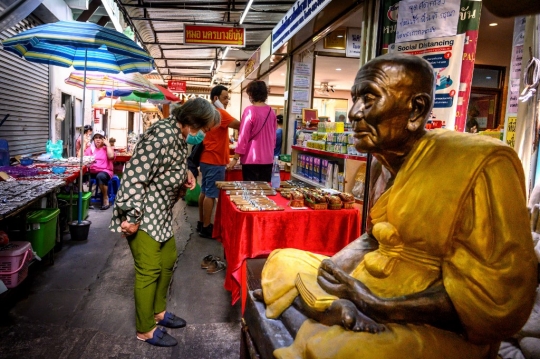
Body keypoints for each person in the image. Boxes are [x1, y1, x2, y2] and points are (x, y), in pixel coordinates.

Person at [255, 53, 537, 358]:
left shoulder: (483, 162)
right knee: (282, 260)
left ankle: (319, 309)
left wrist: (378, 305)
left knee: (344, 351)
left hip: (423, 318)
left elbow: (498, 298)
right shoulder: (382, 162)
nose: (353, 113)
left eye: (369, 98)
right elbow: (374, 238)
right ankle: (330, 308)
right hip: (366, 285)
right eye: (354, 98)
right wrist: (331, 272)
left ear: (416, 110)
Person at [109, 98, 220, 347]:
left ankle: (158, 313)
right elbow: (134, 178)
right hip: (144, 213)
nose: (204, 135)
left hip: (161, 214)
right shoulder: (161, 136)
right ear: (191, 122)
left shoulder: (178, 136)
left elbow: (169, 167)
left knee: (167, 261)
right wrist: (132, 218)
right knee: (149, 270)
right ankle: (145, 328)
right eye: (204, 129)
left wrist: (186, 174)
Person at [197, 85, 240, 238]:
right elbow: (240, 125)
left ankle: (202, 223)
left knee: (204, 191)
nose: (227, 101)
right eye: (225, 98)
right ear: (216, 99)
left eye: (228, 98)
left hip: (205, 158)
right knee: (211, 194)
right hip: (215, 160)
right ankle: (207, 227)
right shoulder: (220, 113)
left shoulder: (207, 112)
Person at [228, 80, 277, 181]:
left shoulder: (249, 111)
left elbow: (243, 137)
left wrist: (235, 158)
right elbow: (273, 138)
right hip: (268, 159)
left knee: (251, 191)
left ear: (251, 94)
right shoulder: (271, 112)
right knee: (264, 191)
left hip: (251, 159)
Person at [84, 129, 115, 210]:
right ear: (93, 139)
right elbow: (80, 158)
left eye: (100, 137)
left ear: (104, 139)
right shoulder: (90, 149)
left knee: (100, 176)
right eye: (96, 137)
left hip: (105, 171)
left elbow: (111, 156)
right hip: (92, 171)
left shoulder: (106, 148)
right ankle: (85, 200)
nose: (98, 139)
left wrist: (108, 145)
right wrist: (83, 144)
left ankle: (105, 198)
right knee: (78, 176)